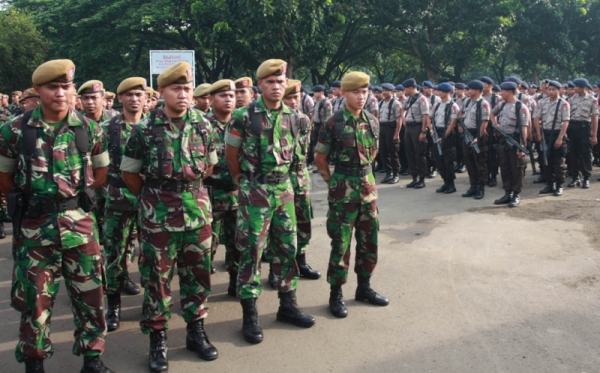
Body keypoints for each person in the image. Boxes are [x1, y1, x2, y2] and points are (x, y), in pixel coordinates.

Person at [0, 59, 113, 372]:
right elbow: (4, 179)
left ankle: (93, 359)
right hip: (34, 231)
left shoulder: (90, 129)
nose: (61, 93)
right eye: (53, 86)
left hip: (80, 226)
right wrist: (36, 201)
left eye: (66, 86)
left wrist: (75, 199)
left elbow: (100, 172)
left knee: (90, 295)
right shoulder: (14, 131)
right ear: (38, 90)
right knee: (34, 301)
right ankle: (34, 363)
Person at [121, 61, 219, 370]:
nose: (183, 94)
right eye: (176, 88)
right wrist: (156, 197)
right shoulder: (144, 129)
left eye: (187, 88)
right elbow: (129, 173)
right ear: (162, 91)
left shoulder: (205, 124)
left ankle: (195, 331)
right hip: (157, 216)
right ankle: (158, 339)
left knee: (199, 276)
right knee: (157, 279)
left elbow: (211, 166)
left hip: (197, 214)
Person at [224, 59, 315, 345]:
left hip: (284, 190)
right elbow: (231, 155)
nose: (277, 86)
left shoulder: (295, 117)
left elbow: (298, 159)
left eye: (281, 81)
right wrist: (244, 183)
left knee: (288, 247)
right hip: (255, 190)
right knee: (251, 251)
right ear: (260, 84)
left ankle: (287, 305)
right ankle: (249, 314)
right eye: (271, 82)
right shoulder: (243, 115)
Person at [314, 71, 388, 319]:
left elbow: (373, 154)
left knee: (370, 241)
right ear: (344, 93)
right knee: (341, 243)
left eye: (365, 91)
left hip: (368, 189)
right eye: (356, 92)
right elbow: (320, 157)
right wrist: (332, 183)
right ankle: (336, 294)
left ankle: (364, 288)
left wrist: (364, 179)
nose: (361, 96)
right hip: (342, 190)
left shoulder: (372, 121)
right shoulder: (332, 123)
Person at [101, 77, 148, 334]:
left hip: (148, 199)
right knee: (115, 254)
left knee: (150, 255)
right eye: (128, 94)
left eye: (139, 94)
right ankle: (113, 305)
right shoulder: (108, 128)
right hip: (118, 197)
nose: (134, 98)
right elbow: (96, 166)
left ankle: (151, 304)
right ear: (120, 98)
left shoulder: (154, 126)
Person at [281, 79, 321, 281]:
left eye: (296, 97)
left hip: (300, 175)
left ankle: (301, 260)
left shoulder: (304, 119)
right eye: (288, 97)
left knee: (304, 219)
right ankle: (277, 268)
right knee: (281, 224)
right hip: (281, 177)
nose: (293, 101)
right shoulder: (275, 121)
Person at [203, 79, 240, 296]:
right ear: (211, 99)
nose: (228, 100)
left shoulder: (241, 123)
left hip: (236, 194)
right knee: (206, 245)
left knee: (238, 243)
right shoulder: (202, 125)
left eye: (231, 96)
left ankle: (235, 283)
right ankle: (201, 288)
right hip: (209, 194)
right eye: (222, 96)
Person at [491, 82, 530, 207]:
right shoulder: (502, 105)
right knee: (505, 167)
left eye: (502, 91)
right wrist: (496, 125)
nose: (500, 93)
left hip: (515, 140)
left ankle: (516, 194)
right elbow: (492, 114)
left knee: (517, 169)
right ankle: (507, 193)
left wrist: (522, 146)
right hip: (503, 140)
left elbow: (524, 128)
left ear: (509, 92)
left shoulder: (521, 107)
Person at [533, 80, 570, 197]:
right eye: (549, 89)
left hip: (557, 133)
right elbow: (536, 118)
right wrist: (538, 134)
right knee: (546, 160)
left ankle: (559, 185)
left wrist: (560, 138)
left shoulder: (563, 104)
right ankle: (550, 183)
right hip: (545, 133)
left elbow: (565, 122)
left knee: (558, 162)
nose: (551, 91)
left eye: (553, 89)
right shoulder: (542, 102)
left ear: (559, 90)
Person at [459, 80, 491, 200]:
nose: (467, 91)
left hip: (477, 134)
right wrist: (460, 124)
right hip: (467, 134)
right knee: (469, 161)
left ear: (477, 90)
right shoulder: (467, 101)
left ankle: (481, 188)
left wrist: (479, 137)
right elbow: (461, 113)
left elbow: (484, 122)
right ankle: (473, 185)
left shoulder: (483, 104)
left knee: (480, 162)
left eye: (470, 89)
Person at [566, 78, 598, 188]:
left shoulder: (592, 100)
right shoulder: (572, 99)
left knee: (585, 153)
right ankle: (575, 177)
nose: (574, 88)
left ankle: (586, 177)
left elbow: (594, 117)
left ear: (582, 87)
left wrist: (594, 135)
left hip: (584, 127)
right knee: (573, 153)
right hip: (573, 127)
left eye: (576, 87)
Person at [431, 83, 459, 194]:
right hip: (437, 132)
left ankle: (451, 184)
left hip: (447, 134)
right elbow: (430, 118)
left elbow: (452, 124)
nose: (439, 93)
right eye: (439, 91)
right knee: (439, 160)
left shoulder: (453, 106)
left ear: (448, 92)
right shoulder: (437, 104)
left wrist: (443, 137)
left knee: (448, 160)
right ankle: (445, 182)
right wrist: (432, 130)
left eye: (441, 91)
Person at [402, 78, 430, 189]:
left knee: (420, 154)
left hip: (418, 127)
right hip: (409, 128)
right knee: (410, 153)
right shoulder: (408, 99)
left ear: (410, 88)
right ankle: (414, 177)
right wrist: (403, 117)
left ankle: (422, 179)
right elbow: (403, 109)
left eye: (405, 89)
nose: (404, 91)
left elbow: (425, 115)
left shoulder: (421, 99)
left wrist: (423, 131)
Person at [378, 83, 403, 184]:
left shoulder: (395, 103)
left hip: (391, 128)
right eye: (383, 90)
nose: (384, 92)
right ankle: (388, 173)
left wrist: (397, 133)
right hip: (382, 128)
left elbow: (399, 119)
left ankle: (396, 174)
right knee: (383, 152)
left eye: (386, 90)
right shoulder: (381, 103)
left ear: (392, 92)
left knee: (393, 152)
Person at [482, 76, 500, 187]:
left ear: (491, 86)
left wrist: (496, 127)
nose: (483, 86)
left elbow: (500, 113)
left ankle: (493, 176)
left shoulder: (496, 98)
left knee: (493, 154)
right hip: (482, 127)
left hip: (492, 127)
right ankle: (485, 175)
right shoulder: (480, 98)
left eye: (485, 84)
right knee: (483, 153)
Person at [308, 85, 332, 171]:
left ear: (321, 92)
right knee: (317, 146)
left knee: (323, 147)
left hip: (323, 126)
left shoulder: (326, 102)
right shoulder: (317, 102)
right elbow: (314, 114)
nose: (314, 94)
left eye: (316, 92)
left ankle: (323, 166)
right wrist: (311, 125)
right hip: (317, 126)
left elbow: (329, 117)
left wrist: (325, 129)